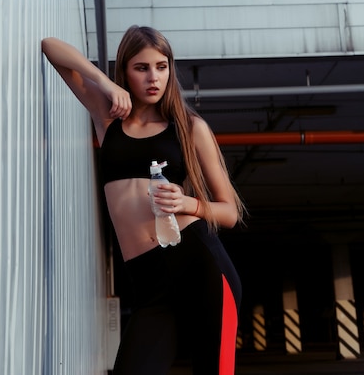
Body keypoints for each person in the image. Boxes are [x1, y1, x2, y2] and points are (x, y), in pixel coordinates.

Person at [42, 25, 244, 375]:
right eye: (142, 68)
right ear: (125, 70)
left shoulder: (189, 127)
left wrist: (188, 204)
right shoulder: (109, 117)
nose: (154, 77)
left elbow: (229, 211)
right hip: (150, 284)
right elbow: (51, 48)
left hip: (200, 267)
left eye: (162, 66)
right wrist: (104, 83)